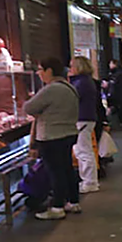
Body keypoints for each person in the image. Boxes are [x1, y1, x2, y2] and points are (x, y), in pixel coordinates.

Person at [24, 57, 81, 220]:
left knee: (56, 172)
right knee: (67, 169)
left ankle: (57, 207)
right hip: (68, 133)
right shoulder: (69, 87)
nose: (38, 73)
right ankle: (73, 201)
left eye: (40, 70)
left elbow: (28, 107)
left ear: (49, 71)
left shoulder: (51, 89)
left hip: (51, 136)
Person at [68, 56, 100, 193]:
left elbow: (71, 98)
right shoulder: (86, 81)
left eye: (72, 66)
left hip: (82, 119)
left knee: (83, 151)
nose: (70, 69)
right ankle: (88, 180)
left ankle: (90, 182)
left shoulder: (81, 83)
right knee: (83, 150)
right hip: (86, 118)